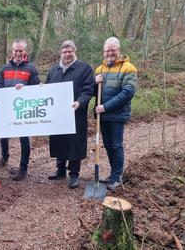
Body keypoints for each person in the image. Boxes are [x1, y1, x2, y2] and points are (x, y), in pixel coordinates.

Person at [46, 40, 94, 188]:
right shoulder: (54, 70)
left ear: (75, 52)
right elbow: (47, 89)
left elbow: (88, 90)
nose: (67, 54)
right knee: (59, 140)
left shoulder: (85, 69)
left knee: (74, 143)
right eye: (64, 52)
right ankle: (60, 169)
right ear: (61, 53)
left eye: (70, 52)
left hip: (76, 112)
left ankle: (74, 174)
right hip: (57, 114)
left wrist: (79, 102)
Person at [0, 39, 40, 181]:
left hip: (23, 109)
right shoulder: (5, 68)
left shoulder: (31, 68)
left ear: (25, 52)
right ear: (12, 51)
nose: (18, 53)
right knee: (4, 133)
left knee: (24, 138)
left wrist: (25, 89)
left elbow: (37, 89)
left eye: (21, 50)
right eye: (16, 50)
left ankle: (23, 168)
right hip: (6, 107)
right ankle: (4, 157)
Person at [94, 37, 138, 191]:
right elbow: (94, 92)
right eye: (107, 51)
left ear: (119, 50)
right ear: (104, 52)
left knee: (116, 145)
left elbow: (128, 92)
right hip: (103, 115)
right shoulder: (100, 69)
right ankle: (113, 174)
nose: (110, 53)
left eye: (113, 50)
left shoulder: (129, 68)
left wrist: (105, 107)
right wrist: (95, 82)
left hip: (117, 114)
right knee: (107, 145)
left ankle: (117, 177)